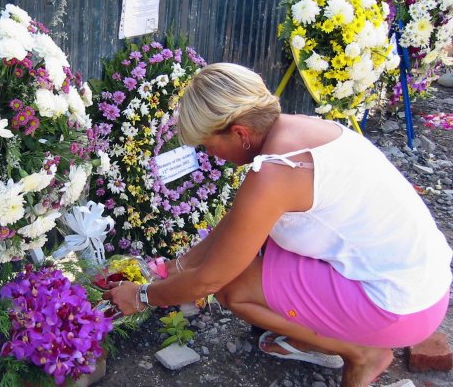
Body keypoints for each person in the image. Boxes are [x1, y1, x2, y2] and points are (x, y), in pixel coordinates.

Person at [103, 63, 453, 387]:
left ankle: (363, 352)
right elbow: (237, 222)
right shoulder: (299, 129)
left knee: (233, 289)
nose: (211, 156)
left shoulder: (275, 175)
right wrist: (174, 266)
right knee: (253, 256)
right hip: (424, 281)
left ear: (239, 133)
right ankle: (327, 334)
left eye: (210, 146)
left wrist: (143, 296)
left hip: (399, 307)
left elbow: (211, 279)